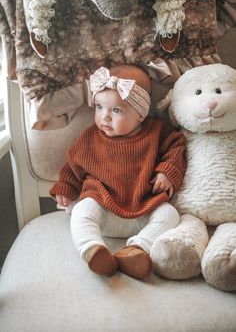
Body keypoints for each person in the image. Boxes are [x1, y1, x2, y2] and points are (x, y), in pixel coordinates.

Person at [50, 65, 186, 280]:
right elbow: (72, 164)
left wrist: (167, 171)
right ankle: (93, 249)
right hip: (102, 207)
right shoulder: (90, 138)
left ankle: (137, 250)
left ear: (140, 114)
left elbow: (177, 146)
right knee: (81, 211)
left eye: (116, 110)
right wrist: (66, 188)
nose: (104, 117)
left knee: (170, 214)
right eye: (99, 107)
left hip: (144, 207)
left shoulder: (157, 132)